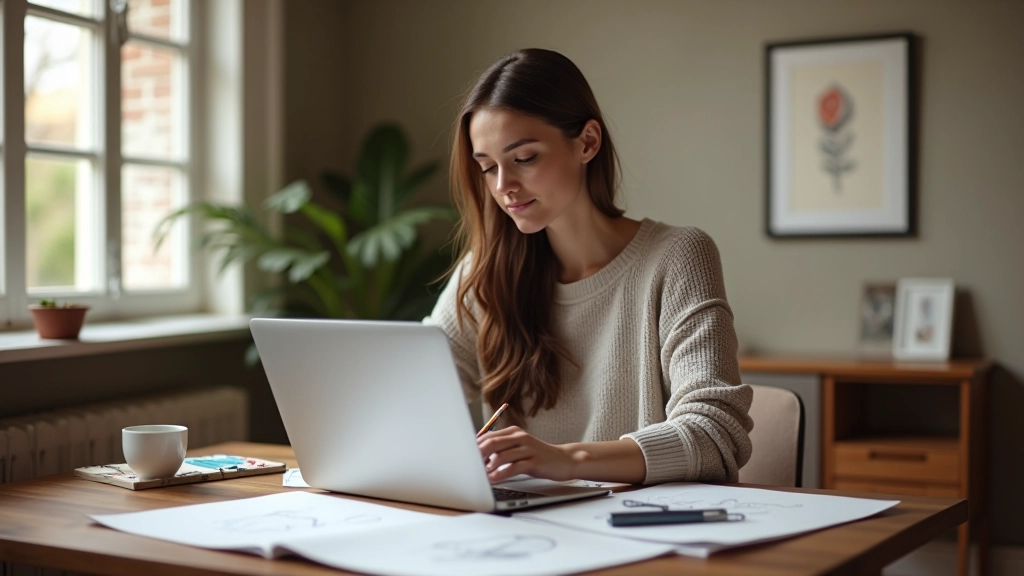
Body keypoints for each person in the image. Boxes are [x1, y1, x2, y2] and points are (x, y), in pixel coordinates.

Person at [423, 48, 752, 486]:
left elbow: (715, 434)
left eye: (524, 158)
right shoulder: (486, 273)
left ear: (588, 142)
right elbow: (414, 388)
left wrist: (567, 460)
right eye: (487, 168)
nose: (504, 186)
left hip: (644, 522)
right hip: (524, 524)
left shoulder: (677, 257)